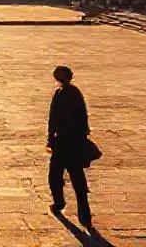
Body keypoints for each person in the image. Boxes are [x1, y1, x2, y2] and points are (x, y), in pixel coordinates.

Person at [47, 65, 92, 228]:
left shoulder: (62, 94)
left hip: (64, 143)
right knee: (75, 178)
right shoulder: (75, 93)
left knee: (56, 175)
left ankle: (60, 203)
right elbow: (83, 118)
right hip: (71, 142)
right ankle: (84, 214)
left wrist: (50, 138)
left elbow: (53, 119)